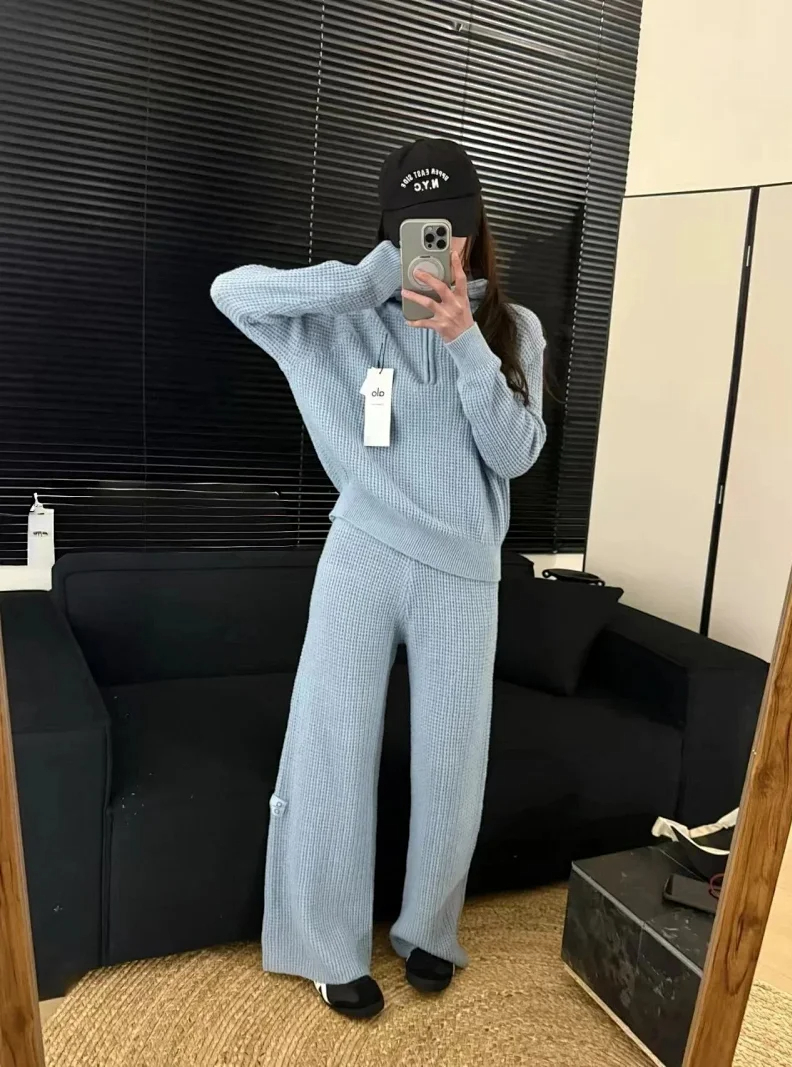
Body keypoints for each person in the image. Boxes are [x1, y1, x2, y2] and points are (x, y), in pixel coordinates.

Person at [210, 138, 546, 1020]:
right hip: (361, 553)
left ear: (474, 227)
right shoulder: (346, 317)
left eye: (449, 227)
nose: (437, 246)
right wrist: (362, 283)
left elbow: (515, 454)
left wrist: (465, 340)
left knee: (452, 763)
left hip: (463, 574)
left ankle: (430, 930)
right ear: (391, 234)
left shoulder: (513, 329)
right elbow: (231, 293)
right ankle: (325, 945)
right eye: (417, 231)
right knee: (333, 747)